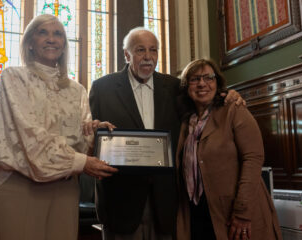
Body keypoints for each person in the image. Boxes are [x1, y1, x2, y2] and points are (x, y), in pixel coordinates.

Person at [89, 27, 244, 240]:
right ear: (127, 55)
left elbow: (203, 100)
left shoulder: (174, 87)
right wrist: (92, 132)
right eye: (140, 50)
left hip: (166, 201)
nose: (148, 57)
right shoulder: (102, 88)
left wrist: (229, 95)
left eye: (153, 50)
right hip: (121, 201)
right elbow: (91, 138)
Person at [0, 14, 117, 240]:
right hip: (21, 185)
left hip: (65, 189)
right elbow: (29, 135)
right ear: (30, 43)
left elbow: (81, 147)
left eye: (58, 34)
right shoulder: (14, 78)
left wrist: (94, 133)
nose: (51, 39)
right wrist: (82, 161)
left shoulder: (77, 90)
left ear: (64, 45)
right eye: (42, 32)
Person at [175, 59, 282, 240]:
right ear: (187, 86)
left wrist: (242, 211)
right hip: (197, 213)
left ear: (218, 82)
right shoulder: (186, 122)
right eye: (195, 79)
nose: (202, 84)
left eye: (209, 78)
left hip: (235, 213)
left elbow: (253, 158)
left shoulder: (234, 109)